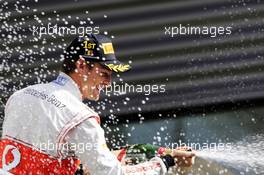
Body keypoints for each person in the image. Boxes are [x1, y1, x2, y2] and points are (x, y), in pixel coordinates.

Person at [0, 34, 195, 175]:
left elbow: (94, 161)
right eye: (104, 73)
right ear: (82, 65)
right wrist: (165, 162)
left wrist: (161, 152)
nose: (108, 83)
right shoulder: (80, 116)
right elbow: (111, 173)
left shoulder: (21, 95)